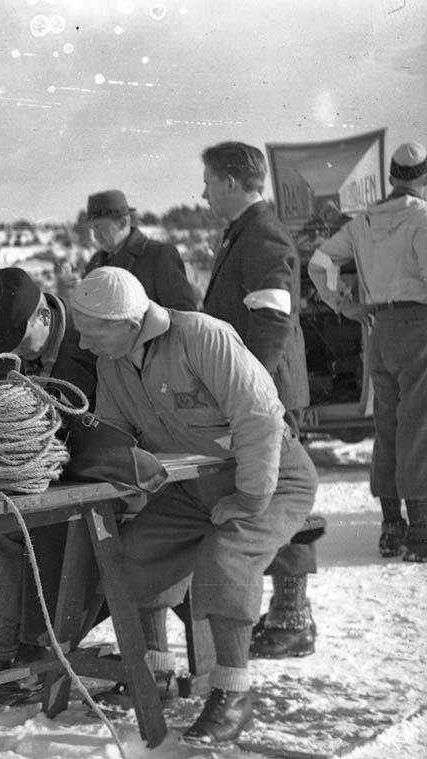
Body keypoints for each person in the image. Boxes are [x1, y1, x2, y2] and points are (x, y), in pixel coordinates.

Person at [69, 266, 317, 747]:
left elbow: (261, 418)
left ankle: (233, 693)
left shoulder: (202, 336)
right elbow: (121, 440)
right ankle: (155, 676)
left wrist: (249, 497)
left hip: (271, 475)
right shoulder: (112, 360)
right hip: (193, 485)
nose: (82, 343)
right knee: (135, 553)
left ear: (126, 322)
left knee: (226, 557)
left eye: (91, 330)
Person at [199, 141, 322, 659]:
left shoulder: (262, 234)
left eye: (208, 183)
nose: (204, 194)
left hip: (268, 395)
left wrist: (248, 391)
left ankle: (293, 618)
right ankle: (289, 615)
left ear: (229, 182)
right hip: (264, 392)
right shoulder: (246, 233)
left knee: (277, 497)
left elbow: (272, 321)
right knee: (271, 496)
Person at [0, 266, 98, 716]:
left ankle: (6, 656)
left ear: (43, 316)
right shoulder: (8, 350)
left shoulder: (90, 340)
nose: (11, 353)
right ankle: (0, 655)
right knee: (1, 521)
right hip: (37, 482)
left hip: (94, 476)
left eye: (20, 339)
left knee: (11, 528)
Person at [308, 140, 427, 563]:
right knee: (420, 429)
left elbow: (319, 263)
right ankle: (421, 536)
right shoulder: (422, 218)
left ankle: (391, 529)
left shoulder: (365, 221)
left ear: (394, 177)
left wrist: (346, 305)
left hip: (378, 328)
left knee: (389, 427)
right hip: (419, 327)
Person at [81, 189, 200, 310]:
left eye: (99, 227)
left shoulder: (160, 256)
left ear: (122, 223)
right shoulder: (95, 262)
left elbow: (184, 314)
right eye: (92, 228)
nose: (96, 236)